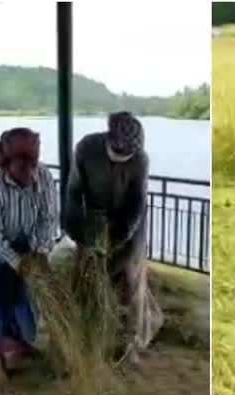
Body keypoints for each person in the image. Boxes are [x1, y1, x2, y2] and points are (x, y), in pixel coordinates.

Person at [64, 112, 163, 364]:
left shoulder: (140, 160)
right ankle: (87, 334)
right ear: (107, 139)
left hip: (130, 224)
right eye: (117, 156)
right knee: (89, 276)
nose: (122, 161)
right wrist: (78, 232)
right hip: (94, 221)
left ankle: (132, 341)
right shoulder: (86, 148)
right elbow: (74, 191)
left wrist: (118, 238)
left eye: (126, 158)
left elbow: (136, 204)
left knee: (131, 278)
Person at [0, 128, 58, 379]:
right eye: (22, 162)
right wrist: (18, 264)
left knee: (24, 309)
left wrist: (39, 252)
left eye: (33, 161)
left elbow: (48, 219)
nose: (29, 169)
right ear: (5, 162)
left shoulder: (44, 176)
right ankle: (0, 361)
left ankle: (22, 345)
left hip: (26, 249)